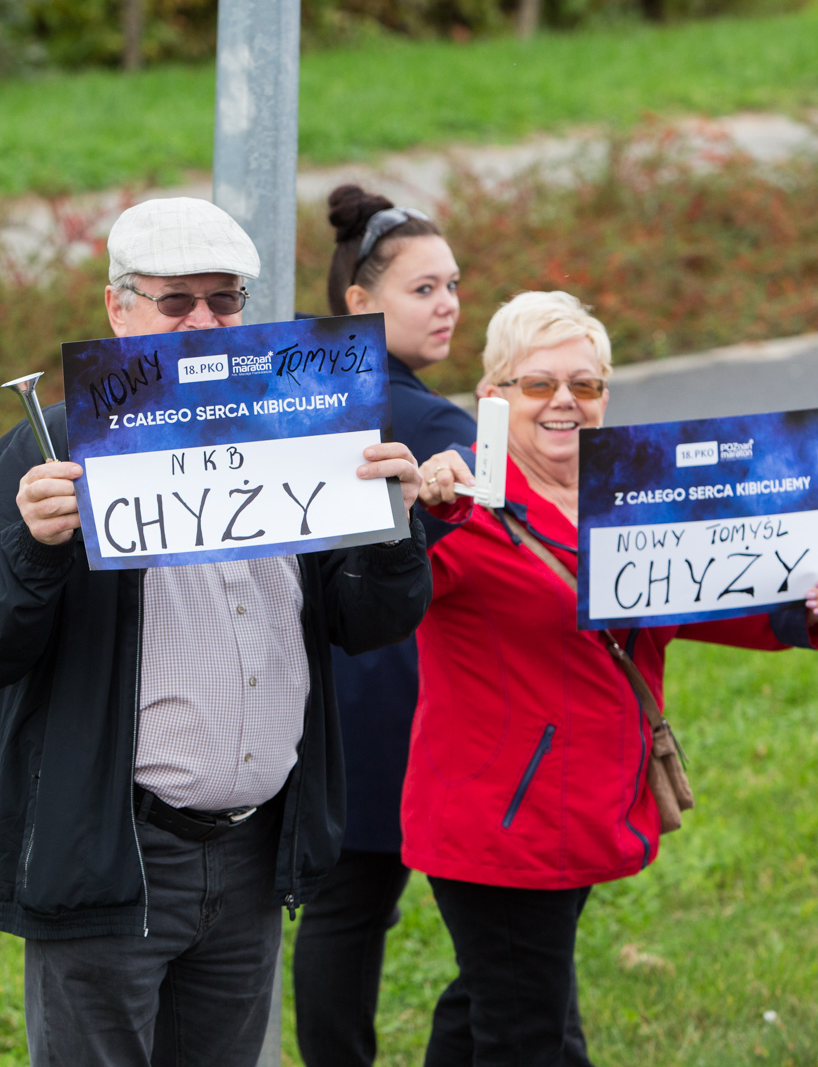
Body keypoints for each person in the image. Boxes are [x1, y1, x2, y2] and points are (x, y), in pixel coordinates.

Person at [0, 197, 434, 1067]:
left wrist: (393, 532)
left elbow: (367, 623)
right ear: (117, 309)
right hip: (116, 856)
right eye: (176, 302)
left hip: (251, 851)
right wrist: (32, 547)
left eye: (226, 299)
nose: (205, 321)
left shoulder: (306, 427)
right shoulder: (43, 455)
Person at [408, 291, 818, 1067]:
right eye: (539, 384)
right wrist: (420, 515)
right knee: (528, 1032)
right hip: (503, 823)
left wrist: (816, 602)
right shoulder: (467, 513)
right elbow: (386, 596)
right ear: (492, 397)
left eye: (584, 386)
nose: (564, 401)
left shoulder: (626, 498)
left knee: (493, 1003)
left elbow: (714, 596)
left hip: (584, 805)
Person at [291, 185, 475, 1067]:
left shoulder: (305, 395)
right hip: (407, 695)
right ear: (359, 304)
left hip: (325, 686)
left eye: (451, 286)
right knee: (505, 920)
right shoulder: (436, 422)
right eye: (423, 289)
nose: (447, 306)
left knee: (344, 907)